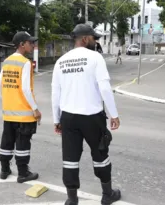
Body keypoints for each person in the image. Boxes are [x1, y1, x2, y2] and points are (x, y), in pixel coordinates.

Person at [51, 23, 121, 205]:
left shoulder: (61, 61)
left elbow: (55, 93)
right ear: (84, 39)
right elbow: (105, 88)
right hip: (92, 117)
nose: (95, 41)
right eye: (93, 38)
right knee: (100, 156)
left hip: (68, 117)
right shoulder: (95, 57)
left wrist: (56, 119)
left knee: (70, 158)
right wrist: (114, 114)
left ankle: (72, 199)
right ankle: (107, 194)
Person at [0, 31, 42, 183]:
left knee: (7, 141)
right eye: (30, 42)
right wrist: (35, 109)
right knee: (23, 142)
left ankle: (4, 170)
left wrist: (8, 99)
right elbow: (26, 89)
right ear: (22, 44)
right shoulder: (25, 62)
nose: (33, 45)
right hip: (24, 114)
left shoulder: (7, 61)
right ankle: (23, 173)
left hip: (9, 113)